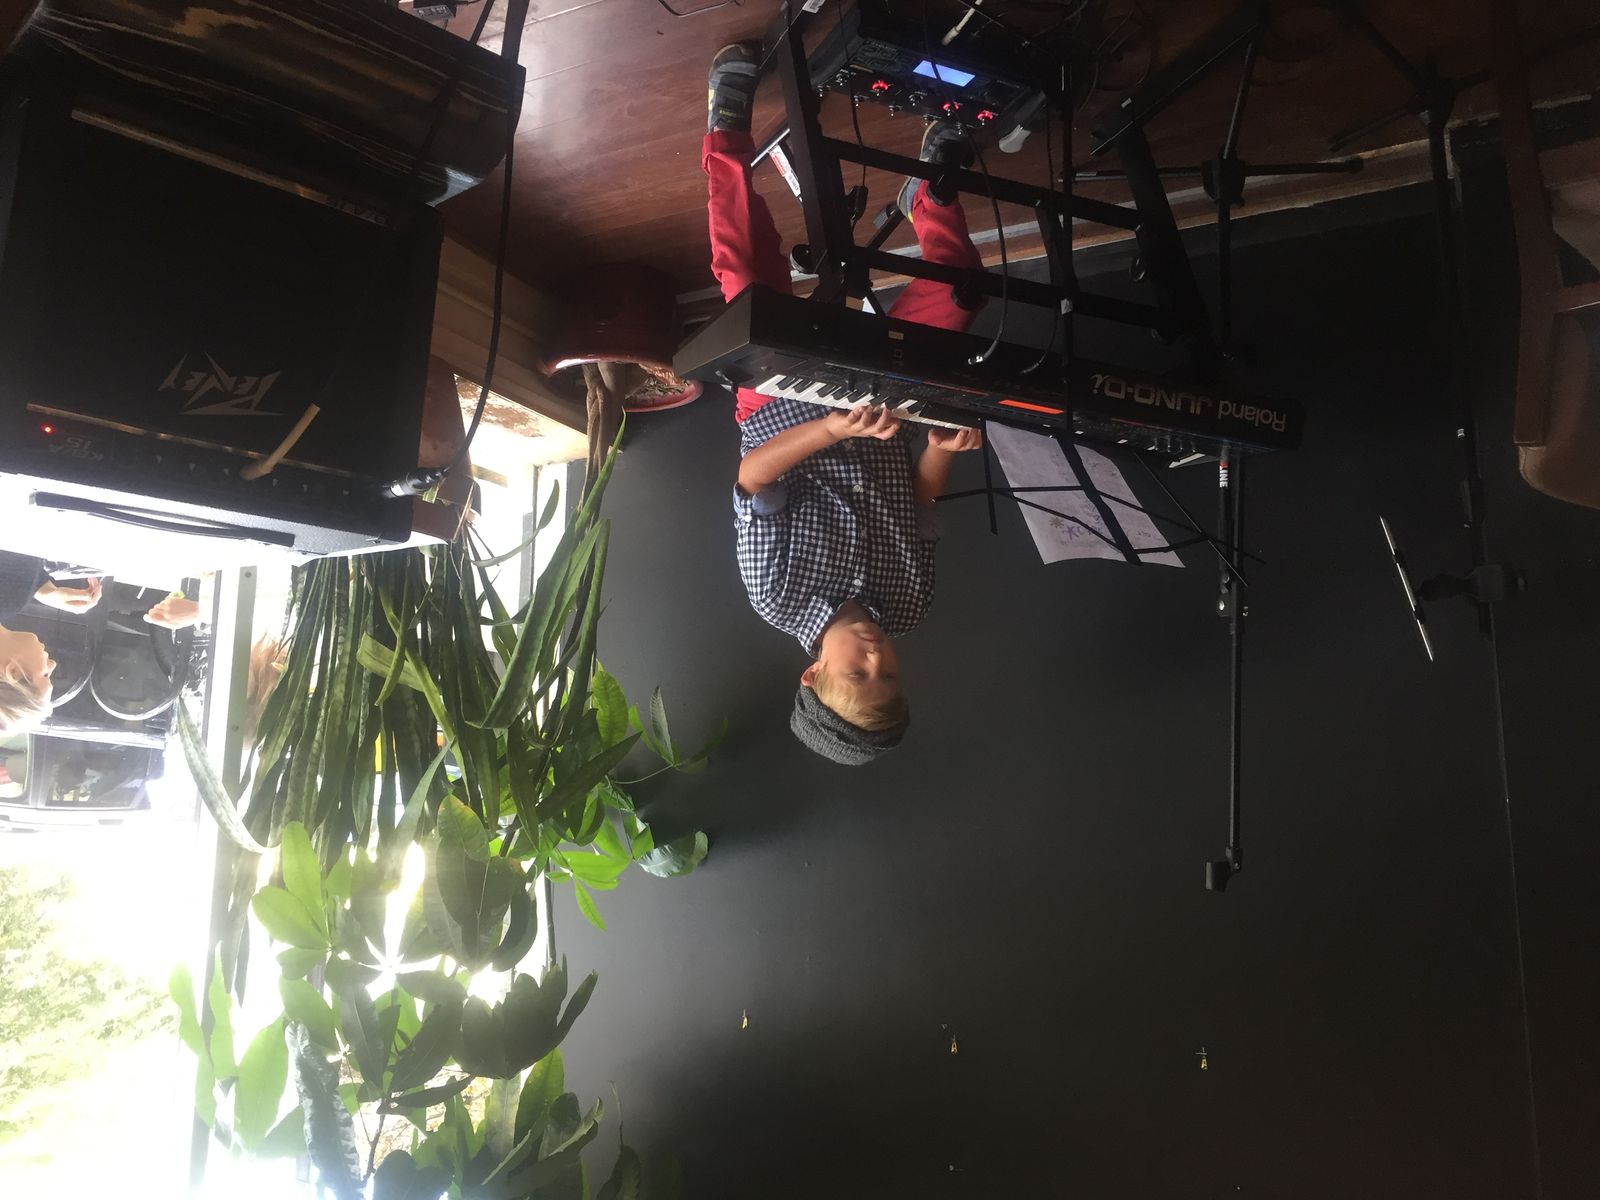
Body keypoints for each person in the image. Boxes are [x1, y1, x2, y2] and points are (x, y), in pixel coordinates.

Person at [704, 43, 987, 766]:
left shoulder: (776, 598)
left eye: (857, 675)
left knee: (745, 280)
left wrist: (830, 428)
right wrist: (938, 452)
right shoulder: (913, 605)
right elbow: (920, 506)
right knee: (960, 292)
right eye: (888, 675)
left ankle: (726, 132)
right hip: (883, 398)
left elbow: (753, 479)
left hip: (778, 405)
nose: (876, 658)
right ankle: (932, 189)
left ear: (812, 674)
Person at [0, 548, 202, 735]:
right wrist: (45, 591)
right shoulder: (9, 599)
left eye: (45, 675)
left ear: (13, 671)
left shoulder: (9, 598)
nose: (52, 664)